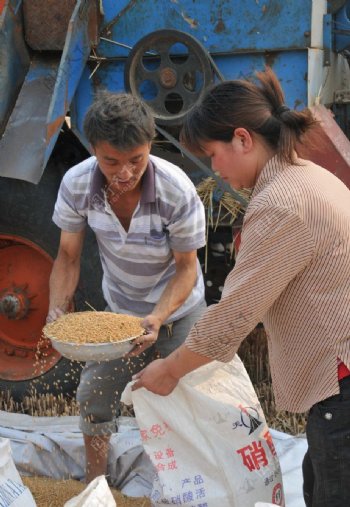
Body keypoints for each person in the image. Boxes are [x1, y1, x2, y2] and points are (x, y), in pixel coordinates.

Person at [132, 67, 350, 507]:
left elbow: (233, 317)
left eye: (213, 154)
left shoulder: (281, 205)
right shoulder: (308, 175)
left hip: (341, 380)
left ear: (243, 139)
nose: (212, 168)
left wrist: (170, 369)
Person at [47, 91, 207, 483]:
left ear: (150, 145)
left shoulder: (176, 190)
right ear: (93, 150)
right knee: (93, 396)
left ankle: (192, 484)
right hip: (119, 316)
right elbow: (68, 257)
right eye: (110, 161)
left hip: (180, 313)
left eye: (136, 160)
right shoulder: (78, 184)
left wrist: (157, 317)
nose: (124, 172)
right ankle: (96, 482)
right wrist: (57, 308)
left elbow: (187, 269)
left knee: (190, 404)